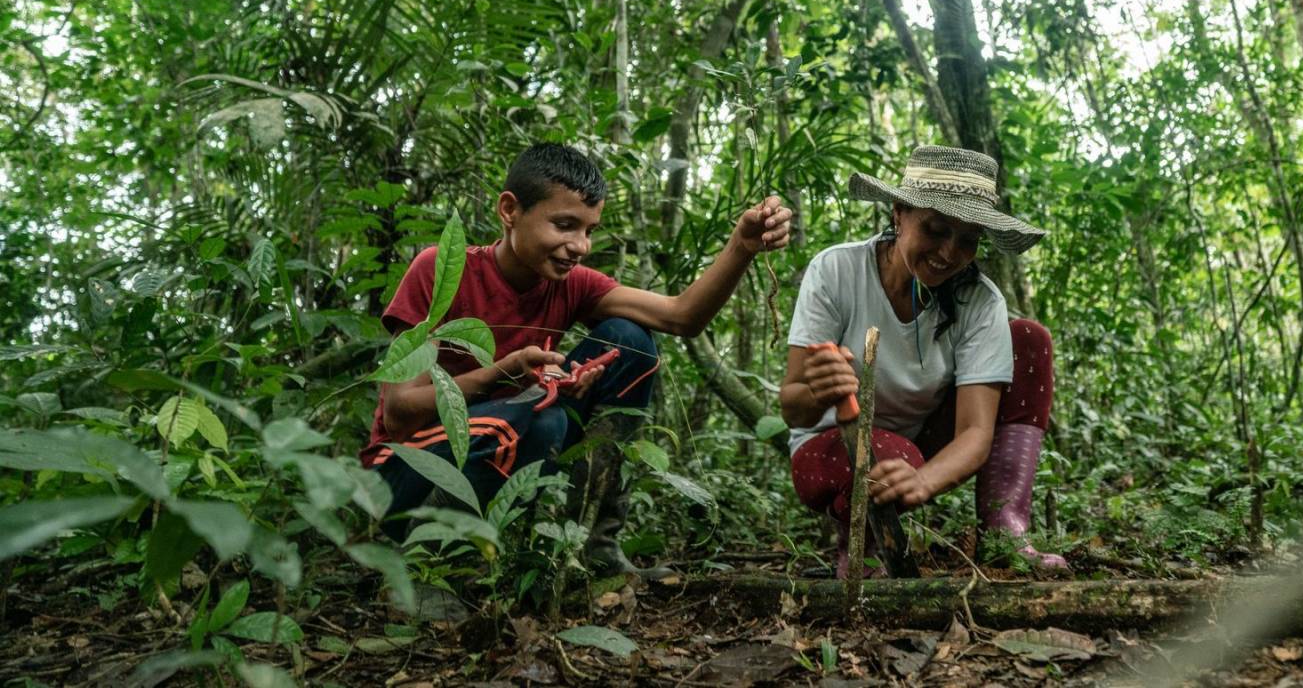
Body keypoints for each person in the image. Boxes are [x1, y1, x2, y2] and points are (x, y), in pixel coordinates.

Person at [361, 142, 791, 577]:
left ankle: (594, 548)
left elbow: (681, 316)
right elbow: (399, 413)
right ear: (510, 210)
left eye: (589, 230)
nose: (580, 245)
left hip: (507, 438)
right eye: (564, 225)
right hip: (404, 475)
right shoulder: (441, 269)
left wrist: (742, 245)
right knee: (542, 417)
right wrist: (505, 372)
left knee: (630, 342)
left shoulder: (571, 283)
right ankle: (431, 561)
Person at [780, 145, 1064, 574]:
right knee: (889, 453)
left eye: (968, 241)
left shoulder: (979, 301)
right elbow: (793, 408)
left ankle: (1005, 532)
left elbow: (974, 431)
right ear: (899, 213)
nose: (949, 254)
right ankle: (862, 543)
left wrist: (925, 479)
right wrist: (820, 391)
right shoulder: (836, 270)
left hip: (918, 446)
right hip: (832, 442)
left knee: (1027, 339)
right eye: (935, 229)